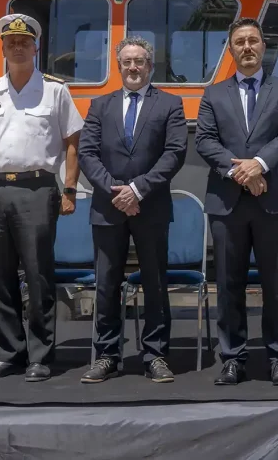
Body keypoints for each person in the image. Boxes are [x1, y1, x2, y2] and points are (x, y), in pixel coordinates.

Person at [0, 13, 84, 382]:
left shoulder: (55, 90)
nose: (17, 47)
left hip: (37, 188)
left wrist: (70, 188)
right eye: (11, 42)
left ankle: (40, 356)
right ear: (3, 47)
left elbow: (72, 145)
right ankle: (7, 354)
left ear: (36, 47)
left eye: (24, 42)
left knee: (38, 276)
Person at [195, 17, 278, 386]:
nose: (247, 47)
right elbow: (205, 141)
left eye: (253, 40)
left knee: (276, 282)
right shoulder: (213, 94)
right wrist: (239, 172)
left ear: (263, 45)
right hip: (227, 201)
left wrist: (258, 165)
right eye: (239, 41)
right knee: (228, 282)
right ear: (231, 48)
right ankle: (232, 357)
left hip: (272, 198)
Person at [78, 36, 187, 384]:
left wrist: (138, 189)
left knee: (155, 283)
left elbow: (174, 154)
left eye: (140, 61)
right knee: (107, 284)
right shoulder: (99, 106)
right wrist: (116, 191)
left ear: (150, 66)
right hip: (108, 208)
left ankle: (155, 355)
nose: (134, 67)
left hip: (150, 206)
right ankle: (107, 355)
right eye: (127, 61)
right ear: (119, 65)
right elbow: (87, 153)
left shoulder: (170, 104)